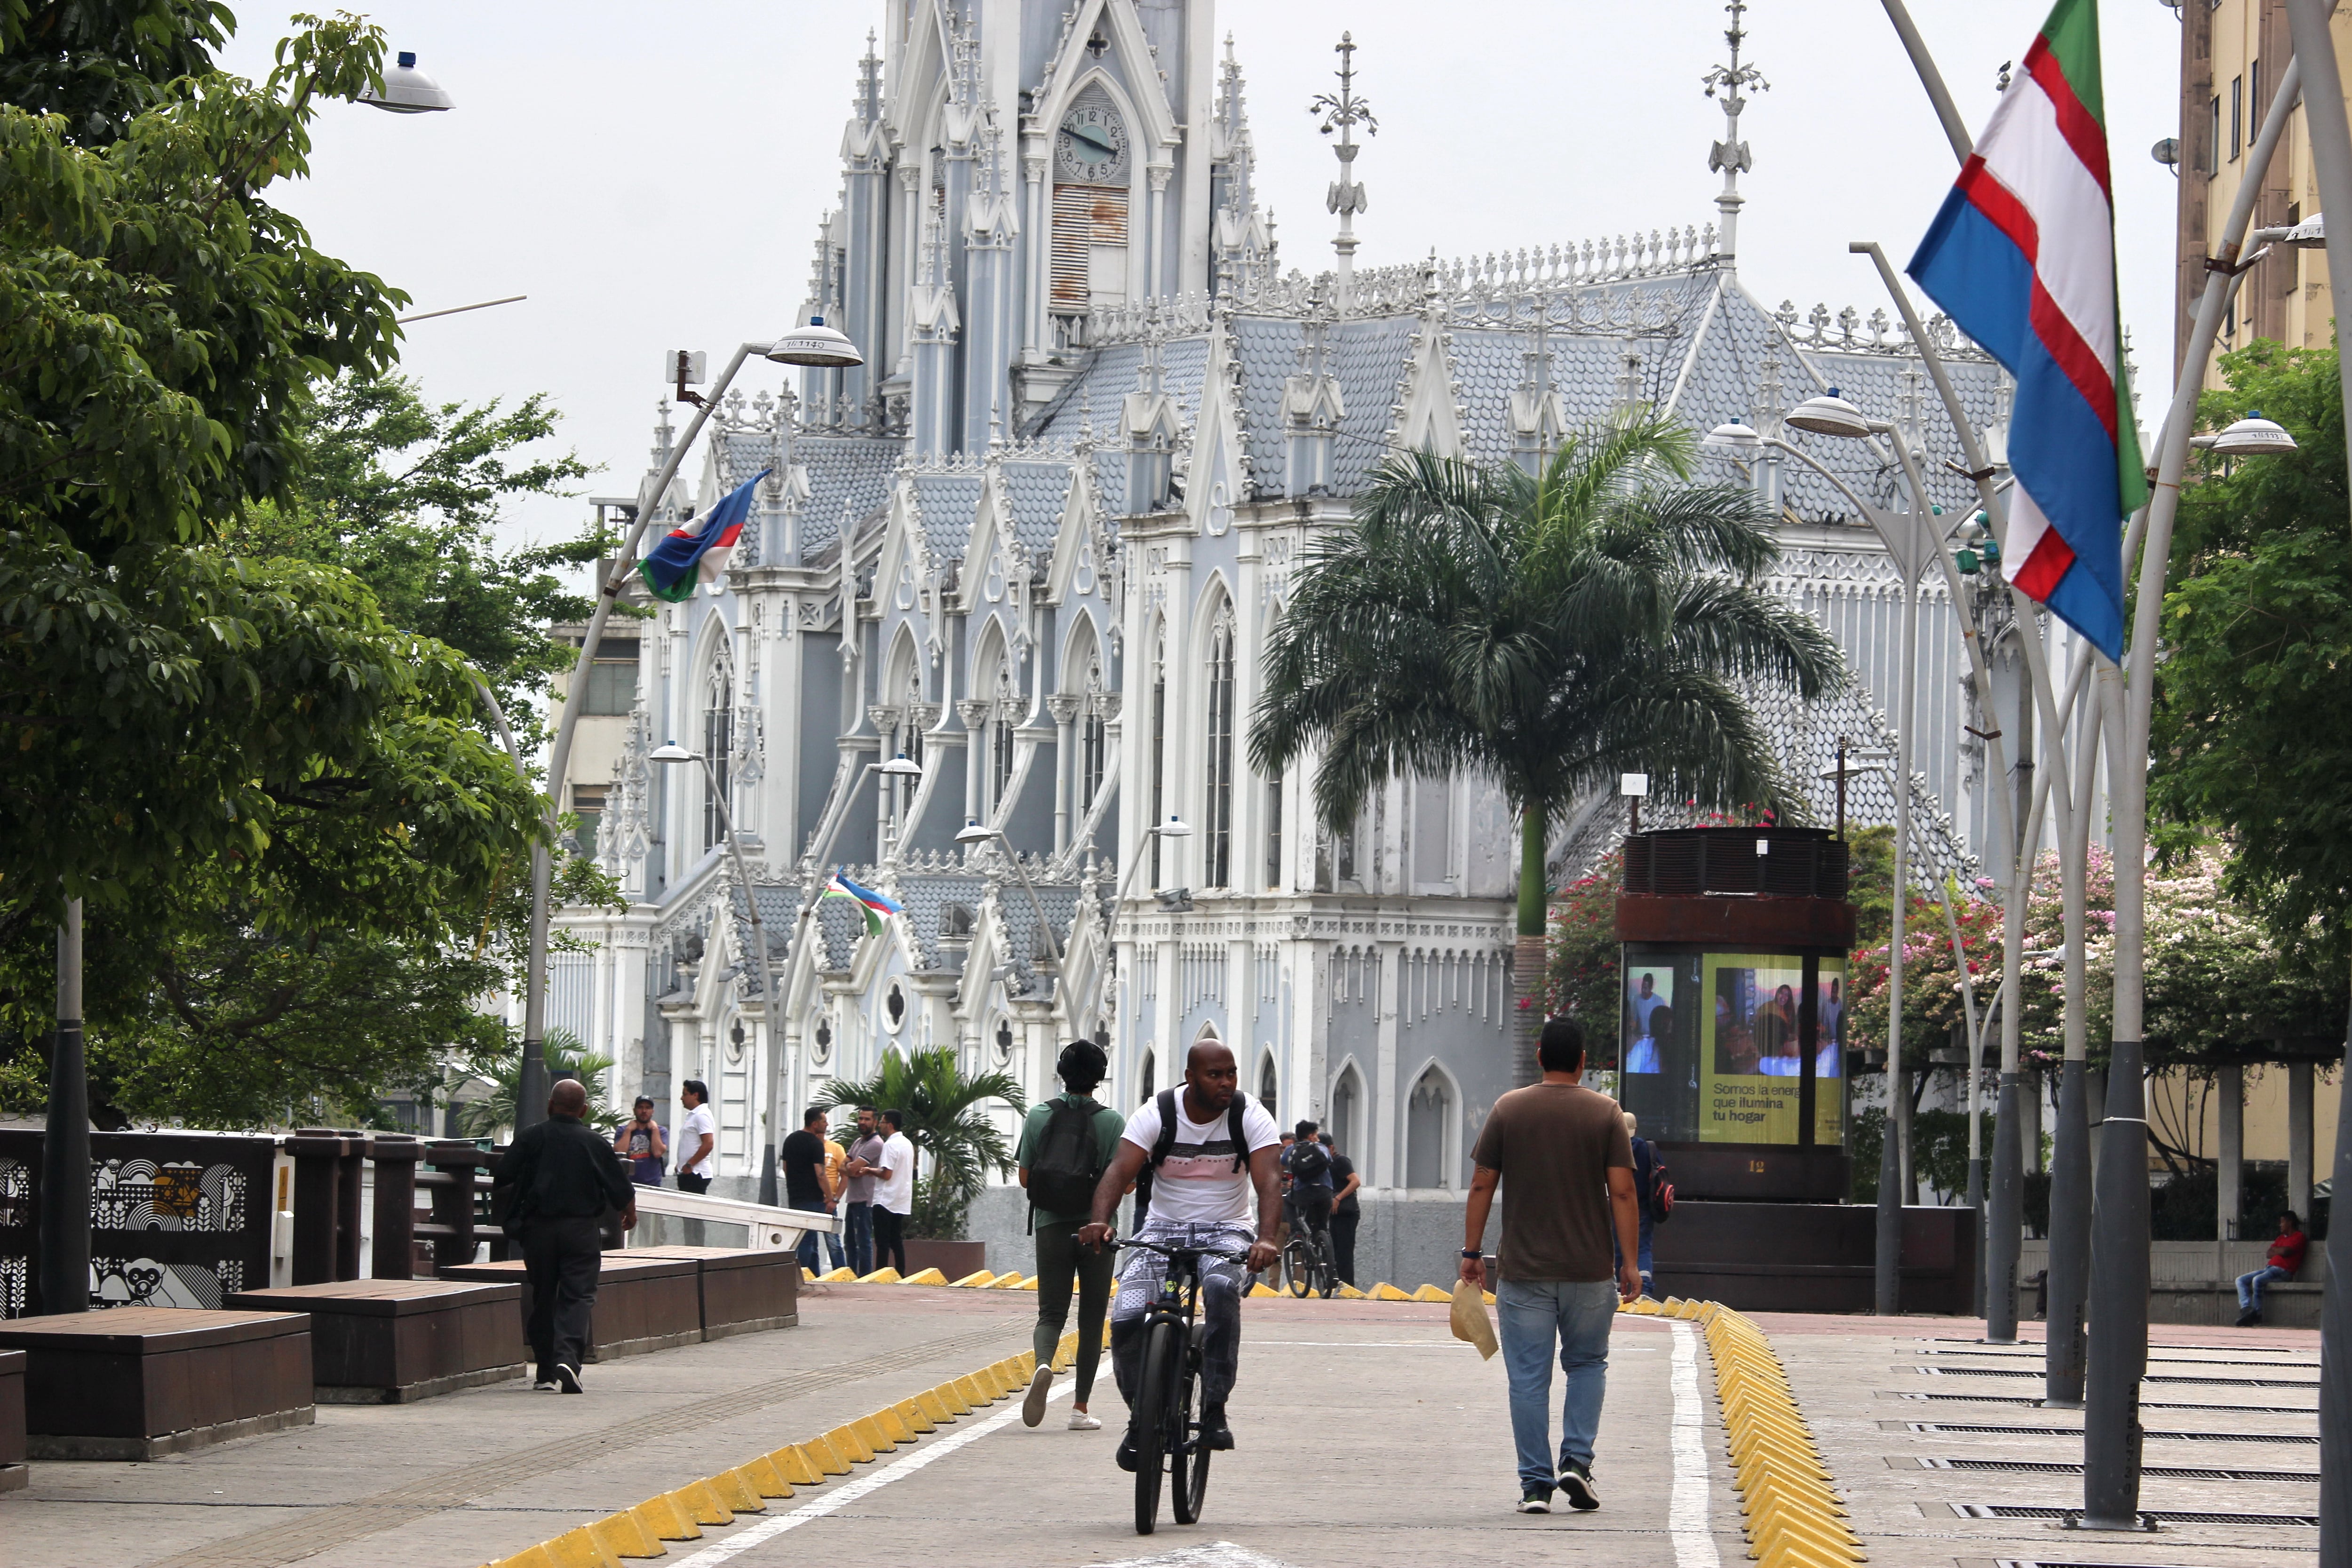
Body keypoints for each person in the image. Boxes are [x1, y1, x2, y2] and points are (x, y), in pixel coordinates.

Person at [1461, 1017, 1640, 1515]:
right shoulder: (1606, 1112)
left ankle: (1535, 1486)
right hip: (1589, 1270)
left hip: (1524, 1271)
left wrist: (1472, 1253)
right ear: (1582, 1061)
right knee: (1587, 1364)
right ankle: (1576, 1462)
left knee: (1527, 1379)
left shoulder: (1509, 1109)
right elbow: (1623, 1191)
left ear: (1539, 1056)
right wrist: (1629, 1262)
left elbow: (1481, 1183)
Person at [1077, 1040, 1281, 1469]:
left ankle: (1215, 1407)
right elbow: (1119, 1170)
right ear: (1191, 1077)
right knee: (1127, 1317)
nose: (1226, 1082)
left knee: (1221, 1288)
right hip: (1162, 1229)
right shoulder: (1158, 1112)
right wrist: (1100, 1220)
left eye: (1231, 1073)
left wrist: (1265, 1238)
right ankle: (1141, 1417)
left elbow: (1269, 1180)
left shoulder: (1249, 1114)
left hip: (1227, 1230)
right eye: (1215, 1074)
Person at [492, 1078, 637, 1393]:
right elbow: (619, 1186)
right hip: (581, 1229)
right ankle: (568, 1359)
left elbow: (503, 1175)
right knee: (578, 1295)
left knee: (544, 1294)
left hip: (538, 1229)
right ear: (584, 1110)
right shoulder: (594, 1142)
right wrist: (630, 1212)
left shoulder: (531, 1136)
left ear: (550, 1105)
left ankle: (545, 1372)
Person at [1015, 1040, 1127, 1433]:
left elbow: (1025, 1178)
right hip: (1098, 1229)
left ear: (1062, 1073)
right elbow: (1124, 1184)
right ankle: (1080, 1409)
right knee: (1092, 1318)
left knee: (1051, 1312)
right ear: (1100, 1076)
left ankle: (1044, 1363)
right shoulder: (1112, 1122)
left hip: (1050, 1225)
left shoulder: (1038, 1115)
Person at [781, 1108, 836, 1276]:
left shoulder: (790, 1140)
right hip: (813, 1198)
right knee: (808, 1240)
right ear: (814, 1124)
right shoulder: (816, 1144)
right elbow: (821, 1174)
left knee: (808, 1240)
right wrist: (830, 1197)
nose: (827, 1124)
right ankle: (801, 1275)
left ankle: (814, 1275)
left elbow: (785, 1167)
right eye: (824, 1121)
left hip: (795, 1197)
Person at [2236, 1211, 2309, 1325]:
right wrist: (2279, 1250)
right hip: (2269, 1269)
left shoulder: (2299, 1237)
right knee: (2240, 1280)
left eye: (2282, 1222)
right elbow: (2269, 1254)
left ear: (2290, 1223)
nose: (2280, 1225)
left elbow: (2286, 1252)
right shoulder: (2280, 1238)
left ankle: (2257, 1314)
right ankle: (2246, 1309)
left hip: (2284, 1271)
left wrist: (2278, 1250)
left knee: (2258, 1280)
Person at [1283, 1118, 1335, 1267]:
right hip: (1325, 1192)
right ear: (1311, 1136)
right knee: (1322, 1228)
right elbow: (1329, 1160)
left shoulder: (1291, 1149)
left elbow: (1284, 1162)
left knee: (1287, 1200)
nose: (1317, 1138)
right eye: (1316, 1135)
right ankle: (1330, 1267)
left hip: (1303, 1193)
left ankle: (1297, 1233)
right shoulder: (1322, 1148)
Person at [1617, 1111, 1657, 1298]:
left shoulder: (1613, 1149)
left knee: (1619, 1245)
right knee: (1642, 1247)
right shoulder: (1647, 1148)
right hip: (1644, 1208)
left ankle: (1620, 1288)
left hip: (1617, 1208)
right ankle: (1645, 1287)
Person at [841, 1107, 885, 1276]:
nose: (862, 1122)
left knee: (863, 1242)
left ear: (875, 1122)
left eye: (867, 1119)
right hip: (853, 1200)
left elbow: (851, 1167)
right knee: (850, 1242)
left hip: (865, 1201)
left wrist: (850, 1168)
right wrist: (851, 1169)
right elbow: (843, 1167)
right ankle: (852, 1275)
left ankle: (864, 1277)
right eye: (861, 1119)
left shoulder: (876, 1144)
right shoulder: (858, 1142)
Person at [871, 1109, 915, 1275]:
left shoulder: (890, 1145)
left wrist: (869, 1170)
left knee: (882, 1242)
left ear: (889, 1125)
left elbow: (886, 1174)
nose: (880, 1126)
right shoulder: (907, 1144)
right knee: (896, 1239)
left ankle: (880, 1272)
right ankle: (900, 1272)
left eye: (882, 1122)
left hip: (885, 1199)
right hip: (901, 1199)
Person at [1326, 1132, 1361, 1287]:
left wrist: (1338, 1198)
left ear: (1331, 1148)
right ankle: (1334, 1283)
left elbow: (1355, 1181)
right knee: (1332, 1251)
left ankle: (1347, 1285)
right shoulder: (1324, 1165)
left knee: (1344, 1252)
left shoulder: (1340, 1161)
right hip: (1333, 1213)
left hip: (1346, 1212)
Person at [674, 1080, 717, 1193]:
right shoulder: (694, 1115)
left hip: (697, 1172)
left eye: (685, 1094)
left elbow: (708, 1144)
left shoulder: (702, 1115)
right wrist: (681, 1164)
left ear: (695, 1095)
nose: (682, 1098)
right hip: (688, 1172)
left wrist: (690, 1164)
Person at [613, 1097, 667, 1186]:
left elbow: (658, 1153)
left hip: (652, 1183)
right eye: (640, 1107)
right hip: (627, 1183)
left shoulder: (661, 1131)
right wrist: (628, 1131)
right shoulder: (622, 1130)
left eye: (648, 1108)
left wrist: (654, 1129)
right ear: (634, 1111)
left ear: (653, 1111)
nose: (644, 1111)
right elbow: (620, 1152)